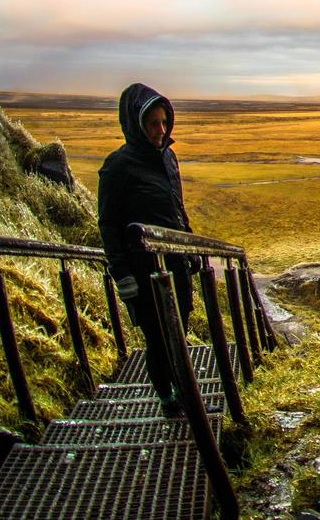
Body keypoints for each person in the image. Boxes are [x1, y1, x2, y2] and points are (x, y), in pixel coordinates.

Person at [98, 83, 198, 416]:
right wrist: (122, 274)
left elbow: (176, 207)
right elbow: (109, 225)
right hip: (144, 270)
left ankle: (183, 390)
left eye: (164, 122)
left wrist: (190, 244)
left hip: (177, 263)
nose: (160, 130)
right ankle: (168, 399)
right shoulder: (118, 167)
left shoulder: (168, 157)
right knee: (157, 336)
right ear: (135, 125)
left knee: (179, 328)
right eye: (152, 123)